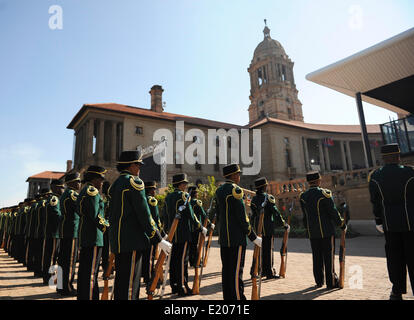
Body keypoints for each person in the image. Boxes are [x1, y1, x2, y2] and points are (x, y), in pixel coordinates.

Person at [108, 151, 171, 300]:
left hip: (119, 241)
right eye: (138, 164)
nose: (140, 168)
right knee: (130, 286)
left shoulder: (115, 184)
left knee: (122, 283)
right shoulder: (134, 182)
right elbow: (144, 214)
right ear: (131, 165)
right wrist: (158, 238)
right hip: (133, 240)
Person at [368, 143, 414, 300]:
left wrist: (378, 220)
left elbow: (375, 202)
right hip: (410, 223)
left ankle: (397, 290)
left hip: (389, 223)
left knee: (395, 259)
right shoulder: (410, 172)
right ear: (398, 156)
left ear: (383, 158)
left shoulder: (375, 176)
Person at [215, 164, 262, 300]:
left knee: (227, 271)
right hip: (236, 238)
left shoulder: (219, 190)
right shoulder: (235, 190)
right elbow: (242, 218)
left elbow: (218, 214)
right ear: (234, 175)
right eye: (238, 174)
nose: (239, 176)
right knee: (236, 272)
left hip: (224, 238)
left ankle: (229, 298)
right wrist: (253, 236)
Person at [299, 171, 346, 289]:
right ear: (319, 180)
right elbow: (333, 212)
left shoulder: (303, 196)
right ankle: (330, 282)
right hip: (326, 231)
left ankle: (319, 281)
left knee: (317, 256)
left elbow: (305, 216)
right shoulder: (325, 194)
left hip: (312, 232)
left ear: (309, 182)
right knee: (328, 256)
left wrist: (307, 229)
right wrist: (341, 224)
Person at [164, 173, 207, 296]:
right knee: (182, 261)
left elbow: (166, 216)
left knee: (173, 261)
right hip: (182, 234)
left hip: (172, 234)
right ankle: (182, 286)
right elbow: (191, 214)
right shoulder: (183, 196)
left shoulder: (168, 197)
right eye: (185, 183)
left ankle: (174, 285)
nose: (185, 186)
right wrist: (200, 227)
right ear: (181, 184)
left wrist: (167, 231)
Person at [76, 166, 109, 300]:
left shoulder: (85, 191)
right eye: (100, 180)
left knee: (85, 271)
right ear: (95, 179)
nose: (101, 183)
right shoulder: (92, 192)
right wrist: (107, 227)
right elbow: (95, 215)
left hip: (87, 235)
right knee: (90, 273)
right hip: (94, 236)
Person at [250, 177, 289, 279]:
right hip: (267, 228)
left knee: (258, 251)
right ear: (264, 186)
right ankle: (269, 272)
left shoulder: (253, 199)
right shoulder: (268, 198)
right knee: (268, 250)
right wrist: (283, 224)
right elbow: (276, 213)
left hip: (258, 229)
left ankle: (257, 270)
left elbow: (253, 215)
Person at [58, 171, 81, 296]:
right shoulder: (72, 195)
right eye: (77, 181)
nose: (79, 183)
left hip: (65, 230)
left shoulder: (65, 194)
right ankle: (67, 287)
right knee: (70, 261)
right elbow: (80, 209)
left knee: (63, 260)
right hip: (71, 231)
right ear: (71, 183)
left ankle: (60, 286)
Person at [141, 180, 166, 290]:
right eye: (154, 189)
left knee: (144, 258)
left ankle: (145, 277)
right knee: (150, 258)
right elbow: (156, 220)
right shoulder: (151, 200)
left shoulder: (141, 199)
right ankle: (149, 279)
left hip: (141, 234)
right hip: (151, 234)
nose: (155, 191)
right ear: (151, 190)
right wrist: (162, 234)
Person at [42, 179, 64, 285]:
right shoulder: (54, 199)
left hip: (54, 231)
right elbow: (56, 214)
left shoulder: (55, 198)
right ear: (55, 188)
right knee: (52, 256)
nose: (63, 190)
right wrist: (65, 219)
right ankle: (49, 277)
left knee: (52, 255)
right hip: (54, 232)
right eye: (61, 187)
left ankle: (49, 277)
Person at [188, 185, 210, 268]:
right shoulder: (197, 202)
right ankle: (196, 261)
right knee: (195, 245)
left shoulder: (187, 201)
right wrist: (210, 223)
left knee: (190, 245)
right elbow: (203, 215)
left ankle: (191, 261)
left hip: (189, 227)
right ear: (195, 193)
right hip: (197, 227)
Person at [100, 180, 111, 277]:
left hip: (105, 225)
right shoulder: (108, 199)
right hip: (109, 226)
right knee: (107, 249)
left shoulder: (104, 199)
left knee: (106, 249)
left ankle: (106, 267)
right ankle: (107, 268)